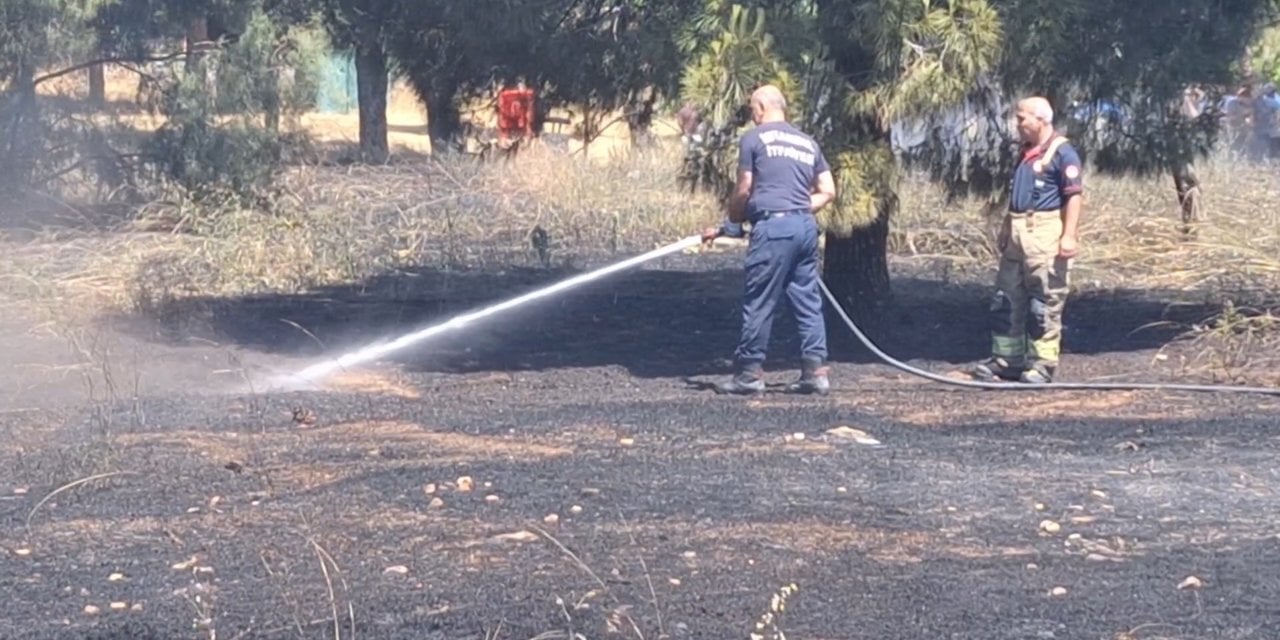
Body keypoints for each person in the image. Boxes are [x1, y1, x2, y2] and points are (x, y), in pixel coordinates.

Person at [701, 85, 838, 395]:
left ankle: (749, 373)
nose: (752, 115)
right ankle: (815, 373)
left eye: (752, 109)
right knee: (807, 301)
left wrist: (734, 217)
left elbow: (746, 187)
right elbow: (828, 190)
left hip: (774, 230)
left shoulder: (754, 138)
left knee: (760, 300)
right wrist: (799, 208)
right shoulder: (807, 142)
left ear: (761, 107)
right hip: (804, 228)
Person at [970, 96, 1083, 384]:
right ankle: (1007, 360)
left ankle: (1042, 365)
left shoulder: (1063, 153)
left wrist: (1069, 235)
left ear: (1041, 119)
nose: (1017, 124)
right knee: (1006, 298)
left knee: (1043, 301)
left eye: (1022, 118)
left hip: (1044, 232)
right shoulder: (1025, 152)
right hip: (1018, 232)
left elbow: (1074, 196)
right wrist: (1008, 228)